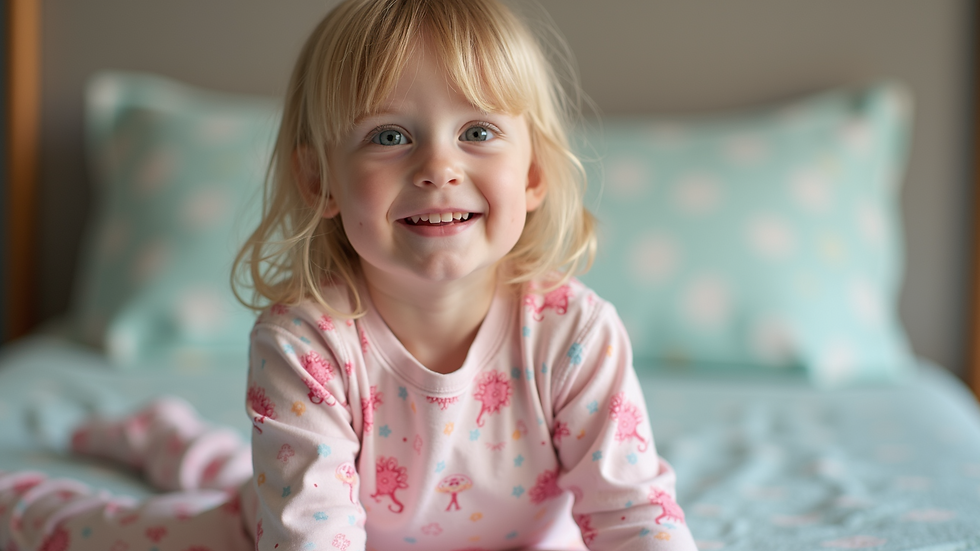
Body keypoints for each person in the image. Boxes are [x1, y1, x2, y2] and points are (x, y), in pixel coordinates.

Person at [0, 1, 697, 549]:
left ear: (534, 174)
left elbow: (634, 511)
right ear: (320, 182)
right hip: (281, 523)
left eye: (478, 132)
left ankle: (169, 436)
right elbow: (310, 529)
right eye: (389, 136)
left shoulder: (575, 334)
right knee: (110, 535)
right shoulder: (305, 342)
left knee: (236, 467)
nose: (439, 166)